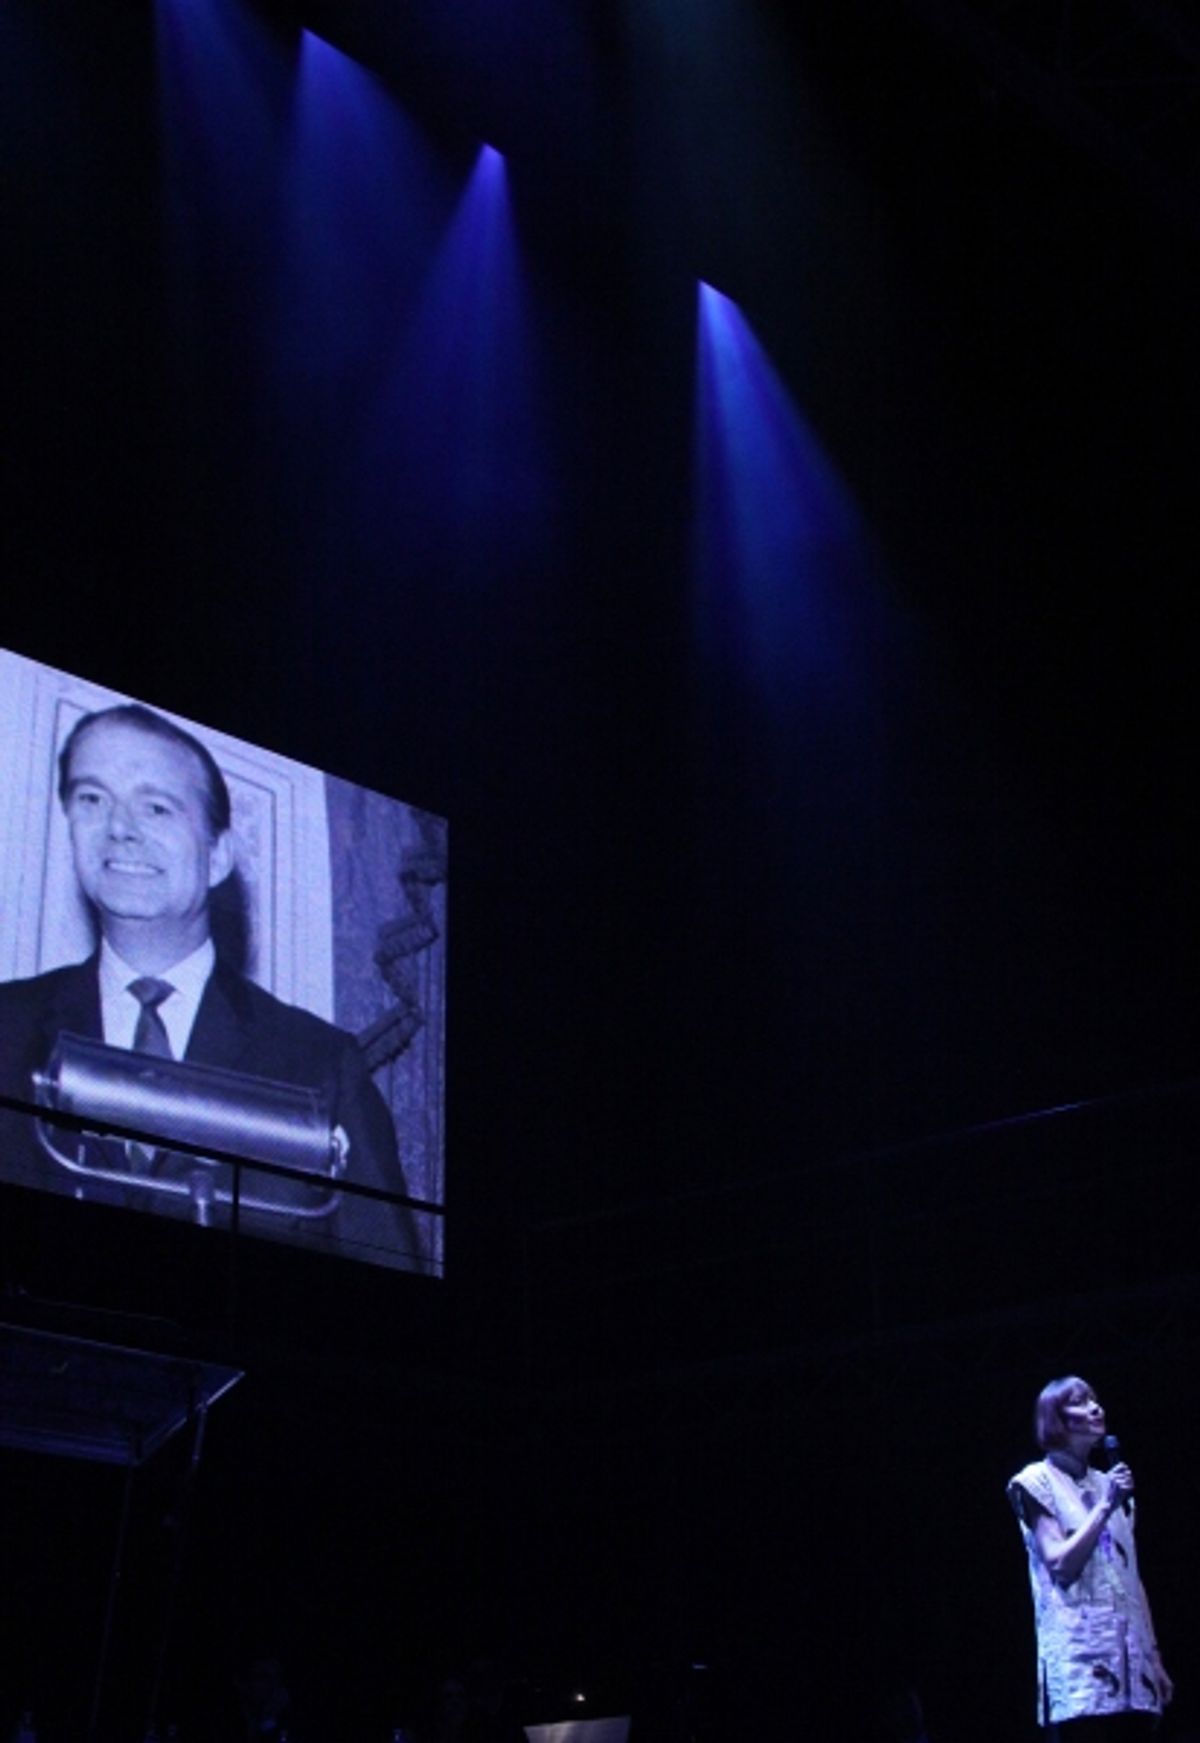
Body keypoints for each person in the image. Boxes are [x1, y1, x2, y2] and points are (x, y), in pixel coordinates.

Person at [0, 702, 426, 1269]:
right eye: (92, 799)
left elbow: (390, 1289)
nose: (118, 828)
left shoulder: (321, 1064)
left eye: (156, 807)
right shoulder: (7, 1029)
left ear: (219, 855)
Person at [1008, 1376, 1173, 1739]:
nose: (1096, 1408)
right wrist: (1104, 1506)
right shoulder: (1037, 1481)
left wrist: (1154, 1657)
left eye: (1095, 1400)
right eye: (1080, 1402)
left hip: (1134, 1670)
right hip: (1082, 1672)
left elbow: (1131, 1579)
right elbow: (1060, 1564)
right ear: (1055, 1418)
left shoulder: (1107, 1485)